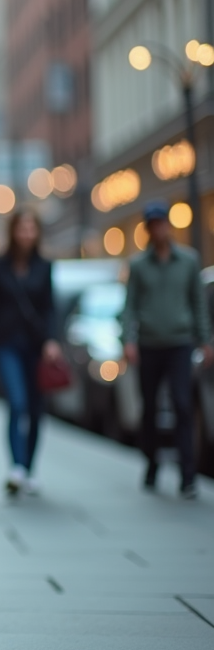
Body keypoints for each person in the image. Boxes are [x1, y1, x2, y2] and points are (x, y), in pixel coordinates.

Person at [122, 199, 212, 500]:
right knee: (149, 408)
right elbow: (129, 306)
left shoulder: (187, 261)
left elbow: (198, 302)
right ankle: (151, 463)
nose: (158, 229)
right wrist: (129, 341)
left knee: (183, 405)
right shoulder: (137, 265)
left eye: (162, 223)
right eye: (153, 224)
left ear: (168, 226)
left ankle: (188, 475)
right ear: (148, 229)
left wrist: (204, 339)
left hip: (179, 343)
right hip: (149, 344)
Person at [0, 210, 62, 497]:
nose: (26, 233)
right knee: (17, 403)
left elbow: (50, 307)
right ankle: (16, 467)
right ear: (13, 231)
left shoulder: (45, 267)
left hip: (36, 346)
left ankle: (29, 468)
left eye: (31, 228)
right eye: (22, 228)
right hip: (7, 344)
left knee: (36, 410)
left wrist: (52, 340)